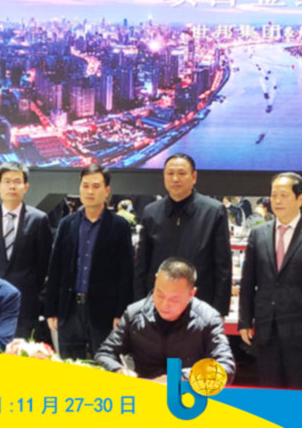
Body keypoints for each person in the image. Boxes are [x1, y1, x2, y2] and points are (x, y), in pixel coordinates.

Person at [238, 172, 302, 390]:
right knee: (270, 394)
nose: (277, 201)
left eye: (284, 195)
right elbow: (248, 281)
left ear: (300, 199)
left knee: (299, 396)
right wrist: (244, 320)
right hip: (266, 331)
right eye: (274, 195)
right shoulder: (258, 234)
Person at [95, 258, 235, 383]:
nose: (164, 304)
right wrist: (118, 370)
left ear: (191, 294)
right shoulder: (134, 313)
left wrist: (177, 378)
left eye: (174, 299)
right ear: (155, 281)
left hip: (188, 395)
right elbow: (104, 353)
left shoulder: (208, 319)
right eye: (159, 295)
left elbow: (225, 368)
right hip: (144, 392)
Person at [45, 164, 134, 359]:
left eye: (96, 186)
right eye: (85, 186)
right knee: (70, 365)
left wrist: (121, 312)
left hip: (104, 312)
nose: (90, 191)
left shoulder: (119, 226)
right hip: (69, 310)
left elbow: (126, 273)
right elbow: (56, 269)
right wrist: (51, 309)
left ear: (107, 190)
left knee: (104, 364)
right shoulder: (67, 224)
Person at [134, 153, 231, 316]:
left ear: (194, 177)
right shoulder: (151, 212)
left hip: (200, 308)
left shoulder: (214, 212)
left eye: (181, 173)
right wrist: (140, 306)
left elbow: (223, 267)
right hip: (158, 308)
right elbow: (142, 266)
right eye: (170, 173)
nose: (175, 179)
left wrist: (219, 312)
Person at [0, 162, 52, 339]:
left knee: (21, 350)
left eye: (17, 181)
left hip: (25, 302)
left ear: (26, 187)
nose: (12, 186)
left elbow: (44, 263)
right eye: (7, 181)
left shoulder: (39, 219)